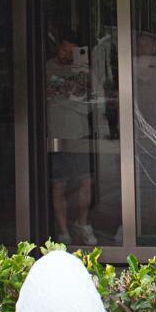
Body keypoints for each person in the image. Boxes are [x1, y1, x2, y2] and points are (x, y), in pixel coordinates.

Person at [44, 27, 98, 245]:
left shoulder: (85, 70)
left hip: (80, 134)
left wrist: (70, 90)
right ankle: (63, 230)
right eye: (64, 49)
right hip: (56, 135)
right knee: (59, 185)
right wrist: (73, 92)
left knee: (86, 181)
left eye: (72, 51)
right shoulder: (47, 68)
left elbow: (92, 99)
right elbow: (71, 93)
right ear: (58, 47)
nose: (67, 55)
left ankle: (82, 223)